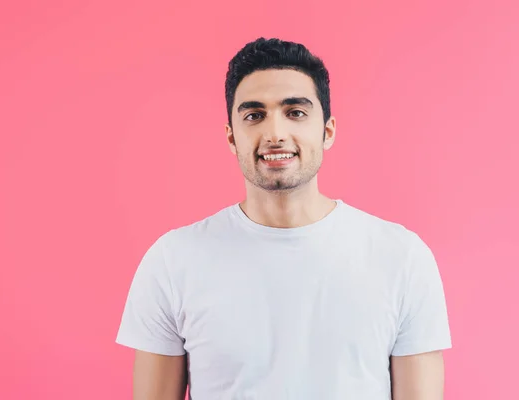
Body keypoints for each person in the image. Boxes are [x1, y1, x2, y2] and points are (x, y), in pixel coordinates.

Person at [116, 37, 452, 399]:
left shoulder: (401, 257)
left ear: (328, 131)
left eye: (295, 112)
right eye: (254, 115)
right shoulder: (172, 260)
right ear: (232, 137)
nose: (275, 134)